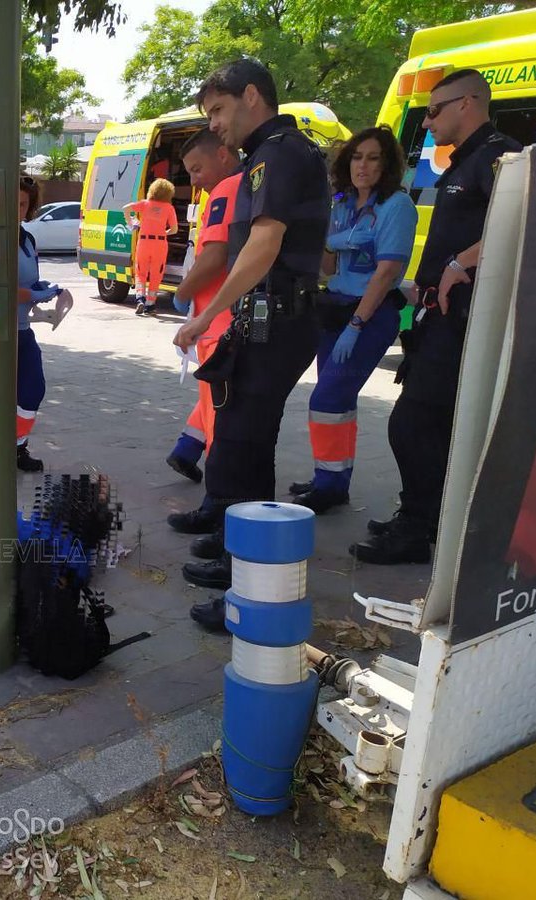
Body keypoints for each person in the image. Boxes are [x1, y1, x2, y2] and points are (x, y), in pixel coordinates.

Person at [171, 59, 330, 631]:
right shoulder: (277, 152)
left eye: (218, 109)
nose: (214, 124)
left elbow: (263, 246)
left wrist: (206, 314)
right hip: (271, 318)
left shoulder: (281, 152)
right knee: (243, 442)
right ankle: (244, 562)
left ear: (252, 96)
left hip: (279, 321)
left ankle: (253, 584)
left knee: (241, 444)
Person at [352, 69, 521, 564]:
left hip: (465, 318)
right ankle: (423, 519)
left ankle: (417, 527)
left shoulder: (499, 158)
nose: (426, 122)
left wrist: (458, 263)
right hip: (437, 317)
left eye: (433, 110)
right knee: (433, 425)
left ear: (467, 103)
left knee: (412, 423)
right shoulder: (464, 163)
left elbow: (525, 219)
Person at [285, 127, 417, 514]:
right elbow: (327, 267)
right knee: (338, 402)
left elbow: (386, 272)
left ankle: (329, 483)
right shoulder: (341, 206)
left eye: (373, 157)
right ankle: (332, 479)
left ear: (386, 163)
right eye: (357, 156)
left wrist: (357, 326)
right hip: (336, 308)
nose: (363, 165)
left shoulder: (397, 207)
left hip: (368, 314)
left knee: (327, 397)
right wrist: (328, 241)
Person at [165, 128, 243, 484]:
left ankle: (218, 494)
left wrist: (183, 293)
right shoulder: (251, 185)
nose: (194, 179)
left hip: (218, 324)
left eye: (198, 169)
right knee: (220, 406)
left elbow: (213, 257)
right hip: (229, 319)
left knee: (219, 415)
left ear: (223, 155)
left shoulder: (226, 190)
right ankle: (191, 452)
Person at [16, 176, 73, 472]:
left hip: (22, 331)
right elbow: (0, 289)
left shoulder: (27, 239)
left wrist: (53, 287)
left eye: (23, 204)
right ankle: (0, 448)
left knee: (32, 390)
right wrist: (40, 293)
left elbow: (30, 281)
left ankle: (16, 446)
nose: (16, 209)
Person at [124, 178, 179, 314]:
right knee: (156, 274)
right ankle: (150, 304)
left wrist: (131, 223)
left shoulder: (145, 204)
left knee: (140, 271)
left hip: (144, 242)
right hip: (160, 243)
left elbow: (125, 208)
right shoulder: (169, 208)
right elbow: (174, 230)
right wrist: (163, 233)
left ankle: (140, 299)